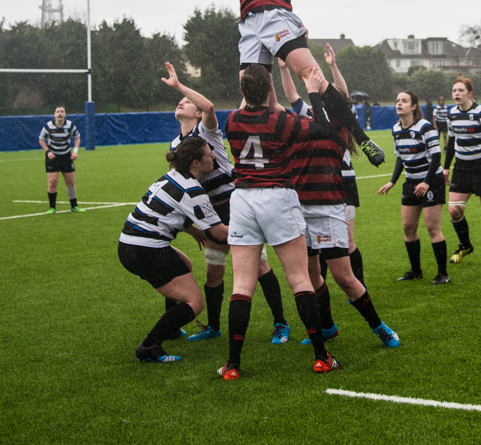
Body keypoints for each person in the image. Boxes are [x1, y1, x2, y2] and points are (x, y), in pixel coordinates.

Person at [154, 0, 385, 167]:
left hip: (276, 18)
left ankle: (361, 138)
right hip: (249, 26)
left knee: (312, 78)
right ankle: (263, 162)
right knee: (252, 99)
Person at [218, 64, 342, 380]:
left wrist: (254, 82)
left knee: (242, 284)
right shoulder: (282, 122)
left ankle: (232, 365)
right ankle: (321, 357)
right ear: (270, 91)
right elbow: (325, 128)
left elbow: (249, 102)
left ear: (243, 92)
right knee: (300, 278)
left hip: (243, 198)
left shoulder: (231, 119)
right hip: (277, 195)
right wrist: (313, 93)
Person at [161, 62, 290, 344]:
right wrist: (192, 226)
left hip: (234, 204)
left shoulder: (206, 133)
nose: (182, 101)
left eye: (186, 100)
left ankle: (281, 323)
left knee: (259, 267)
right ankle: (214, 327)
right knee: (214, 271)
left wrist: (179, 84)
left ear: (196, 112)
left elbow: (208, 106)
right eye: (180, 100)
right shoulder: (174, 147)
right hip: (210, 213)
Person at [279, 53, 399, 349]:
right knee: (311, 274)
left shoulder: (337, 128)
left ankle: (378, 326)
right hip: (299, 207)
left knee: (344, 277)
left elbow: (330, 107)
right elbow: (286, 100)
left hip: (328, 207)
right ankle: (328, 326)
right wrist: (279, 61)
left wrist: (320, 82)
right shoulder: (303, 121)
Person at [119, 137, 230, 363]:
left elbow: (168, 211)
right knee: (195, 302)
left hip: (129, 244)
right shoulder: (193, 189)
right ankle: (149, 346)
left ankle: (170, 329)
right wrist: (257, 228)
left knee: (185, 265)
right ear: (195, 163)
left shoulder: (172, 176)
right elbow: (219, 233)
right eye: (209, 154)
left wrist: (195, 231)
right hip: (145, 250)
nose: (213, 157)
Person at [377, 91, 450, 285]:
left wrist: (426, 182)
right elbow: (401, 157)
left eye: (404, 101)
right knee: (408, 227)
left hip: (431, 181)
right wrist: (393, 181)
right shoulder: (395, 129)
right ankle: (416, 271)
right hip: (410, 182)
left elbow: (436, 157)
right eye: (397, 100)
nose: (399, 103)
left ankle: (443, 274)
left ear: (414, 106)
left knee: (432, 227)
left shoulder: (424, 127)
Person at [442, 77, 481, 267]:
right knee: (454, 211)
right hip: (461, 167)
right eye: (454, 91)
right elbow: (451, 143)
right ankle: (465, 245)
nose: (456, 94)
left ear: (470, 93)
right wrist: (446, 167)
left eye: (460, 90)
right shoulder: (451, 114)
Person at [39, 106, 83, 214]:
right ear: (54, 114)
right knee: (52, 182)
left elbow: (77, 138)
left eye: (62, 112)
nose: (60, 114)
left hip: (66, 156)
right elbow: (41, 139)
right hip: (53, 157)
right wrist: (48, 151)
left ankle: (74, 206)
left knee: (70, 182)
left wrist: (75, 151)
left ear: (65, 114)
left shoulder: (70, 125)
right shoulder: (48, 126)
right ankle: (52, 207)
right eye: (57, 112)